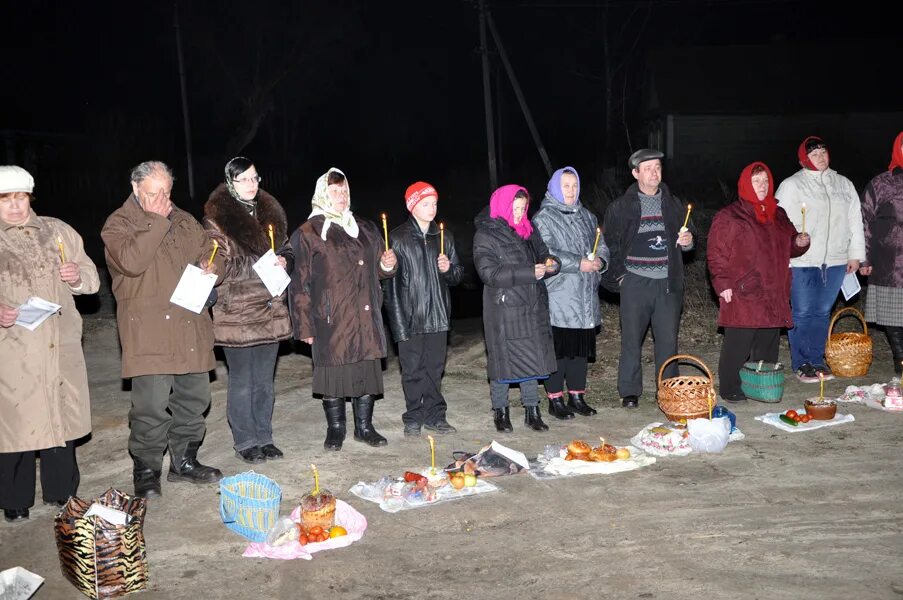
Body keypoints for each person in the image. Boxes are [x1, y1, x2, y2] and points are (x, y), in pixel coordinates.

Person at [101, 161, 224, 499]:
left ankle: (184, 462)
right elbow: (132, 261)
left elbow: (211, 253)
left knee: (194, 399)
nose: (162, 200)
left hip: (189, 325)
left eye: (167, 192)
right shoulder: (118, 224)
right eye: (153, 194)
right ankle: (147, 470)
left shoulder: (185, 221)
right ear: (135, 188)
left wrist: (213, 265)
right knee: (151, 407)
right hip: (149, 330)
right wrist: (155, 220)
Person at [0, 166, 99, 522]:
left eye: (20, 197)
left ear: (30, 197)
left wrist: (76, 277)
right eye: (5, 199)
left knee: (61, 418)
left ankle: (62, 492)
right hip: (13, 348)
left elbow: (91, 278)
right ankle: (14, 498)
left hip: (60, 343)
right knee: (16, 423)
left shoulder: (58, 231)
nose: (14, 206)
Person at [289, 168, 397, 451]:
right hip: (330, 317)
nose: (341, 196)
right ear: (323, 194)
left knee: (365, 370)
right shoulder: (309, 232)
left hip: (364, 314)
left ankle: (365, 427)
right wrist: (304, 325)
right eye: (335, 191)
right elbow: (299, 282)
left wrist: (387, 265)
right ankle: (336, 429)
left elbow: (381, 269)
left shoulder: (366, 228)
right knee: (333, 375)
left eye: (345, 190)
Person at [203, 157, 293, 463]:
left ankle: (265, 436)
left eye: (255, 178)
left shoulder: (272, 214)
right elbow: (218, 259)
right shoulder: (217, 219)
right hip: (238, 311)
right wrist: (214, 269)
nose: (251, 184)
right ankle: (245, 441)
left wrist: (285, 261)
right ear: (230, 183)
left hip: (269, 309)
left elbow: (287, 249)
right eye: (243, 180)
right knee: (243, 381)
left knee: (264, 381)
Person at [708, 162, 810, 402]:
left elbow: (789, 246)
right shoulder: (730, 215)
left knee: (768, 342)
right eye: (757, 181)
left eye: (765, 181)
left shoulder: (779, 213)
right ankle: (730, 386)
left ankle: (760, 383)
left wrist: (799, 243)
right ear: (746, 184)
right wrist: (722, 283)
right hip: (744, 288)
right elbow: (716, 254)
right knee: (739, 341)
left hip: (773, 288)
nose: (762, 186)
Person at [603, 149, 694, 408]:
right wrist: (621, 277)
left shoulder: (674, 203)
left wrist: (688, 242)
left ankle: (668, 391)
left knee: (668, 341)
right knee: (631, 340)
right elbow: (610, 245)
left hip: (667, 283)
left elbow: (689, 238)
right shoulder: (620, 207)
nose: (654, 172)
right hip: (635, 282)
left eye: (657, 167)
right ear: (635, 173)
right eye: (648, 168)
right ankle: (630, 392)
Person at [776, 136, 866, 382]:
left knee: (823, 312)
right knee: (803, 312)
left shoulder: (843, 184)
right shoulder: (792, 185)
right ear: (803, 158)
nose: (821, 157)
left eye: (823, 152)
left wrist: (856, 255)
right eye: (814, 154)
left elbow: (855, 222)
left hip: (836, 260)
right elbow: (779, 224)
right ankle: (801, 362)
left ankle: (817, 360)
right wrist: (789, 247)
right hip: (803, 261)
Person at [473, 184, 559, 432]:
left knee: (531, 359)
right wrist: (528, 272)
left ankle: (532, 411)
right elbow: (489, 273)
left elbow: (545, 255)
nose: (520, 214)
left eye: (523, 209)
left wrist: (552, 263)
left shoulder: (529, 230)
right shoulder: (486, 235)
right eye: (515, 209)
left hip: (531, 305)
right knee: (504, 361)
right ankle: (501, 412)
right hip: (504, 308)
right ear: (502, 206)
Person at [383, 181, 464, 437]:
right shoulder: (397, 238)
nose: (432, 208)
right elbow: (390, 285)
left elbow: (459, 276)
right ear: (412, 206)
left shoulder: (444, 237)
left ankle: (435, 415)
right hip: (410, 317)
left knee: (435, 368)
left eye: (435, 203)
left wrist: (448, 269)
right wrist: (397, 321)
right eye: (426, 203)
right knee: (412, 369)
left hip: (438, 316)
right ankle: (413, 416)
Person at [533, 166, 608, 419]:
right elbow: (546, 252)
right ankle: (555, 400)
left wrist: (600, 262)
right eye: (565, 186)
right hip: (560, 295)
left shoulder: (587, 216)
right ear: (555, 187)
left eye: (574, 185)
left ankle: (577, 396)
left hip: (585, 294)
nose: (571, 190)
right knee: (560, 350)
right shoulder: (544, 218)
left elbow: (602, 244)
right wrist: (579, 263)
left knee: (580, 350)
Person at [860, 131, 903, 373]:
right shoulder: (882, 183)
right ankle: (901, 361)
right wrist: (864, 257)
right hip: (890, 263)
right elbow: (864, 220)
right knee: (895, 315)